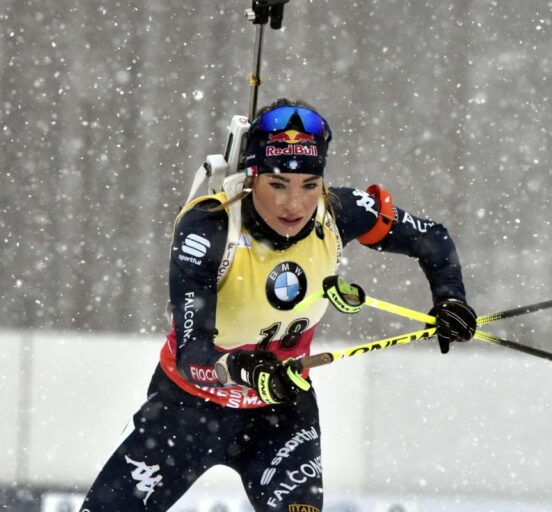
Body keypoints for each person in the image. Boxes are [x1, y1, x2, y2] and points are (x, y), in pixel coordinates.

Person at [79, 98, 477, 511]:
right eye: (278, 184)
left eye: (309, 184)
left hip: (280, 416)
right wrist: (244, 370)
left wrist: (451, 298)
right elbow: (190, 355)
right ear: (252, 177)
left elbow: (432, 238)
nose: (295, 204)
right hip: (186, 411)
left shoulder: (340, 212)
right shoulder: (210, 229)